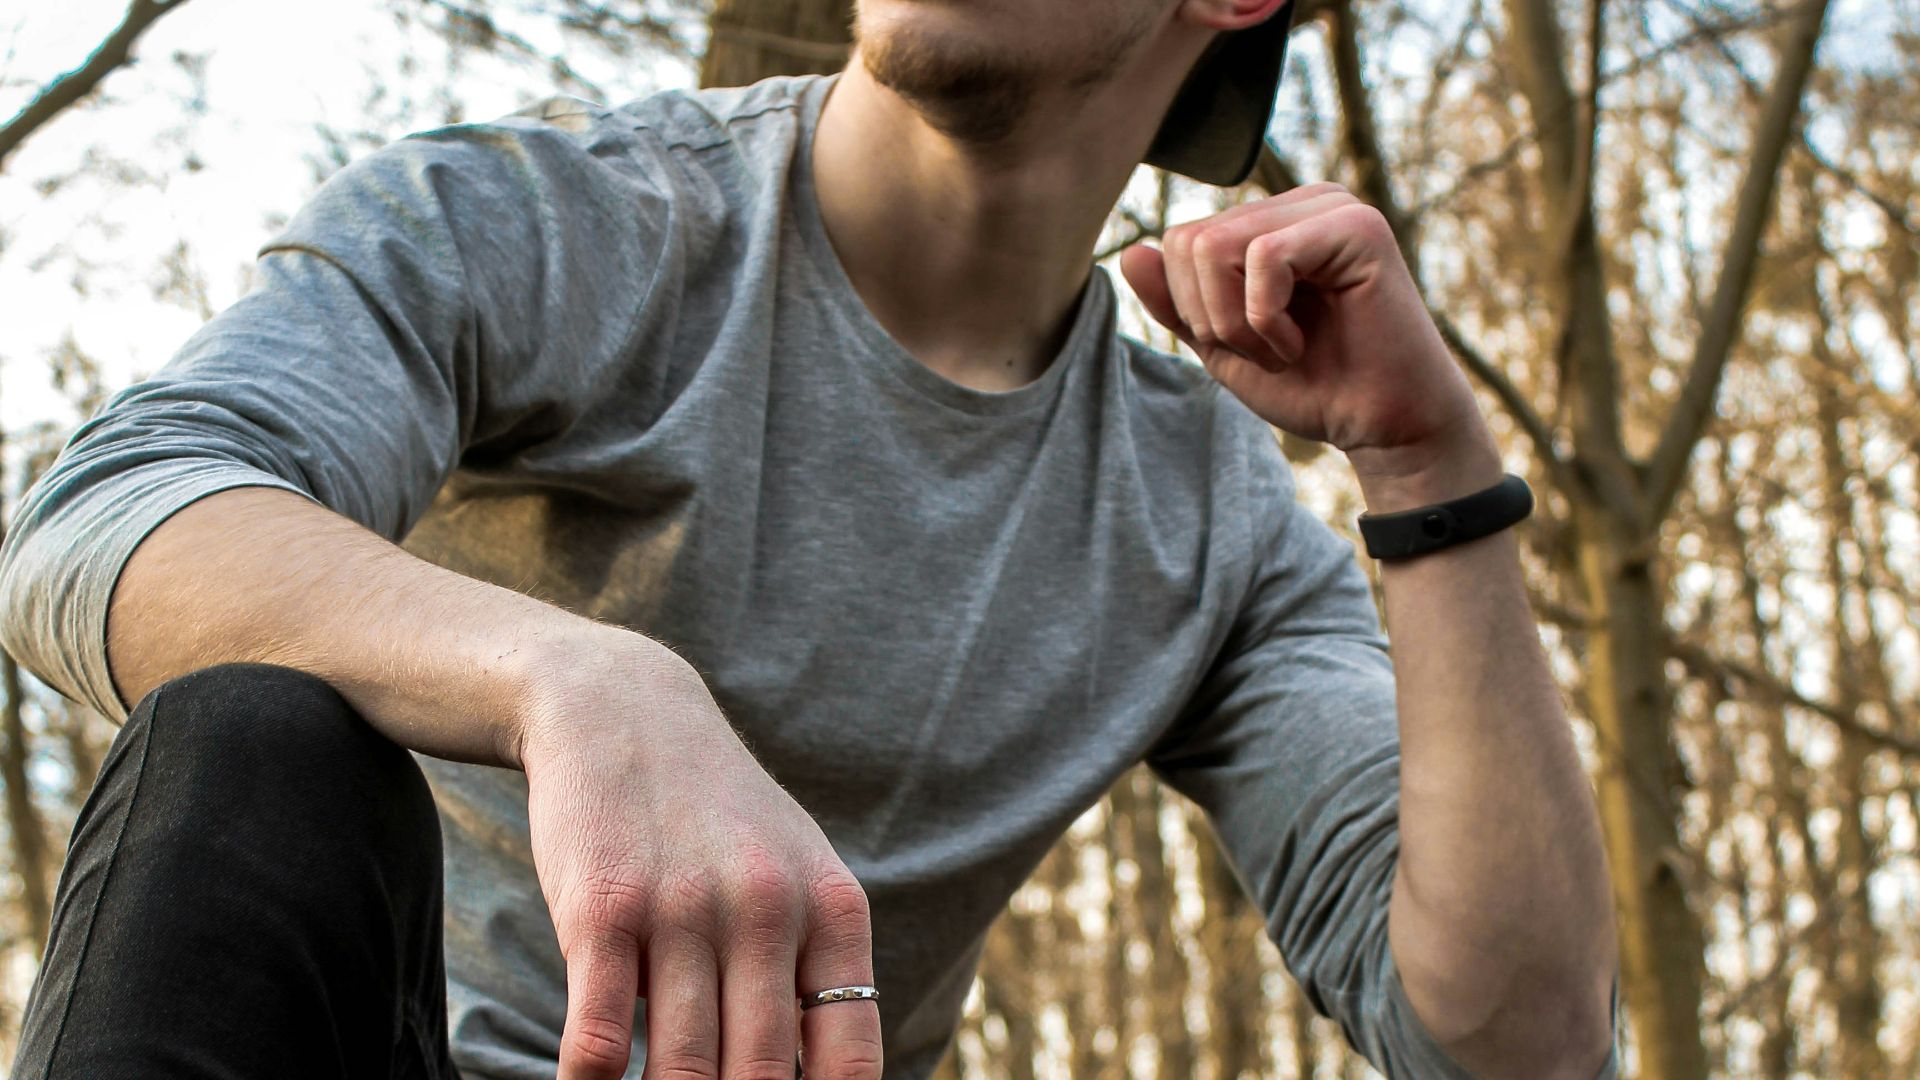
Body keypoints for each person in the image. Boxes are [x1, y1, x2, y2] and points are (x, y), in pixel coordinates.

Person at [0, 0, 1622, 1076]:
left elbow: (1514, 1047)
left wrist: (1430, 469)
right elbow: (101, 518)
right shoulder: (553, 222)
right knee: (252, 736)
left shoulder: (1203, 507)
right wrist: (572, 679)